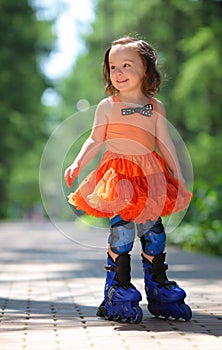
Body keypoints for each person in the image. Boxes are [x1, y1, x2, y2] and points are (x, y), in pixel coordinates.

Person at [64, 36, 193, 324]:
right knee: (122, 233)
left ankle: (158, 287)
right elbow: (96, 139)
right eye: (113, 67)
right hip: (119, 176)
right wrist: (77, 162)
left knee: (154, 233)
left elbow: (165, 142)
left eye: (126, 65)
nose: (119, 72)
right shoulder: (107, 106)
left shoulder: (154, 107)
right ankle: (117, 289)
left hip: (150, 176)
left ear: (146, 69)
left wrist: (178, 174)